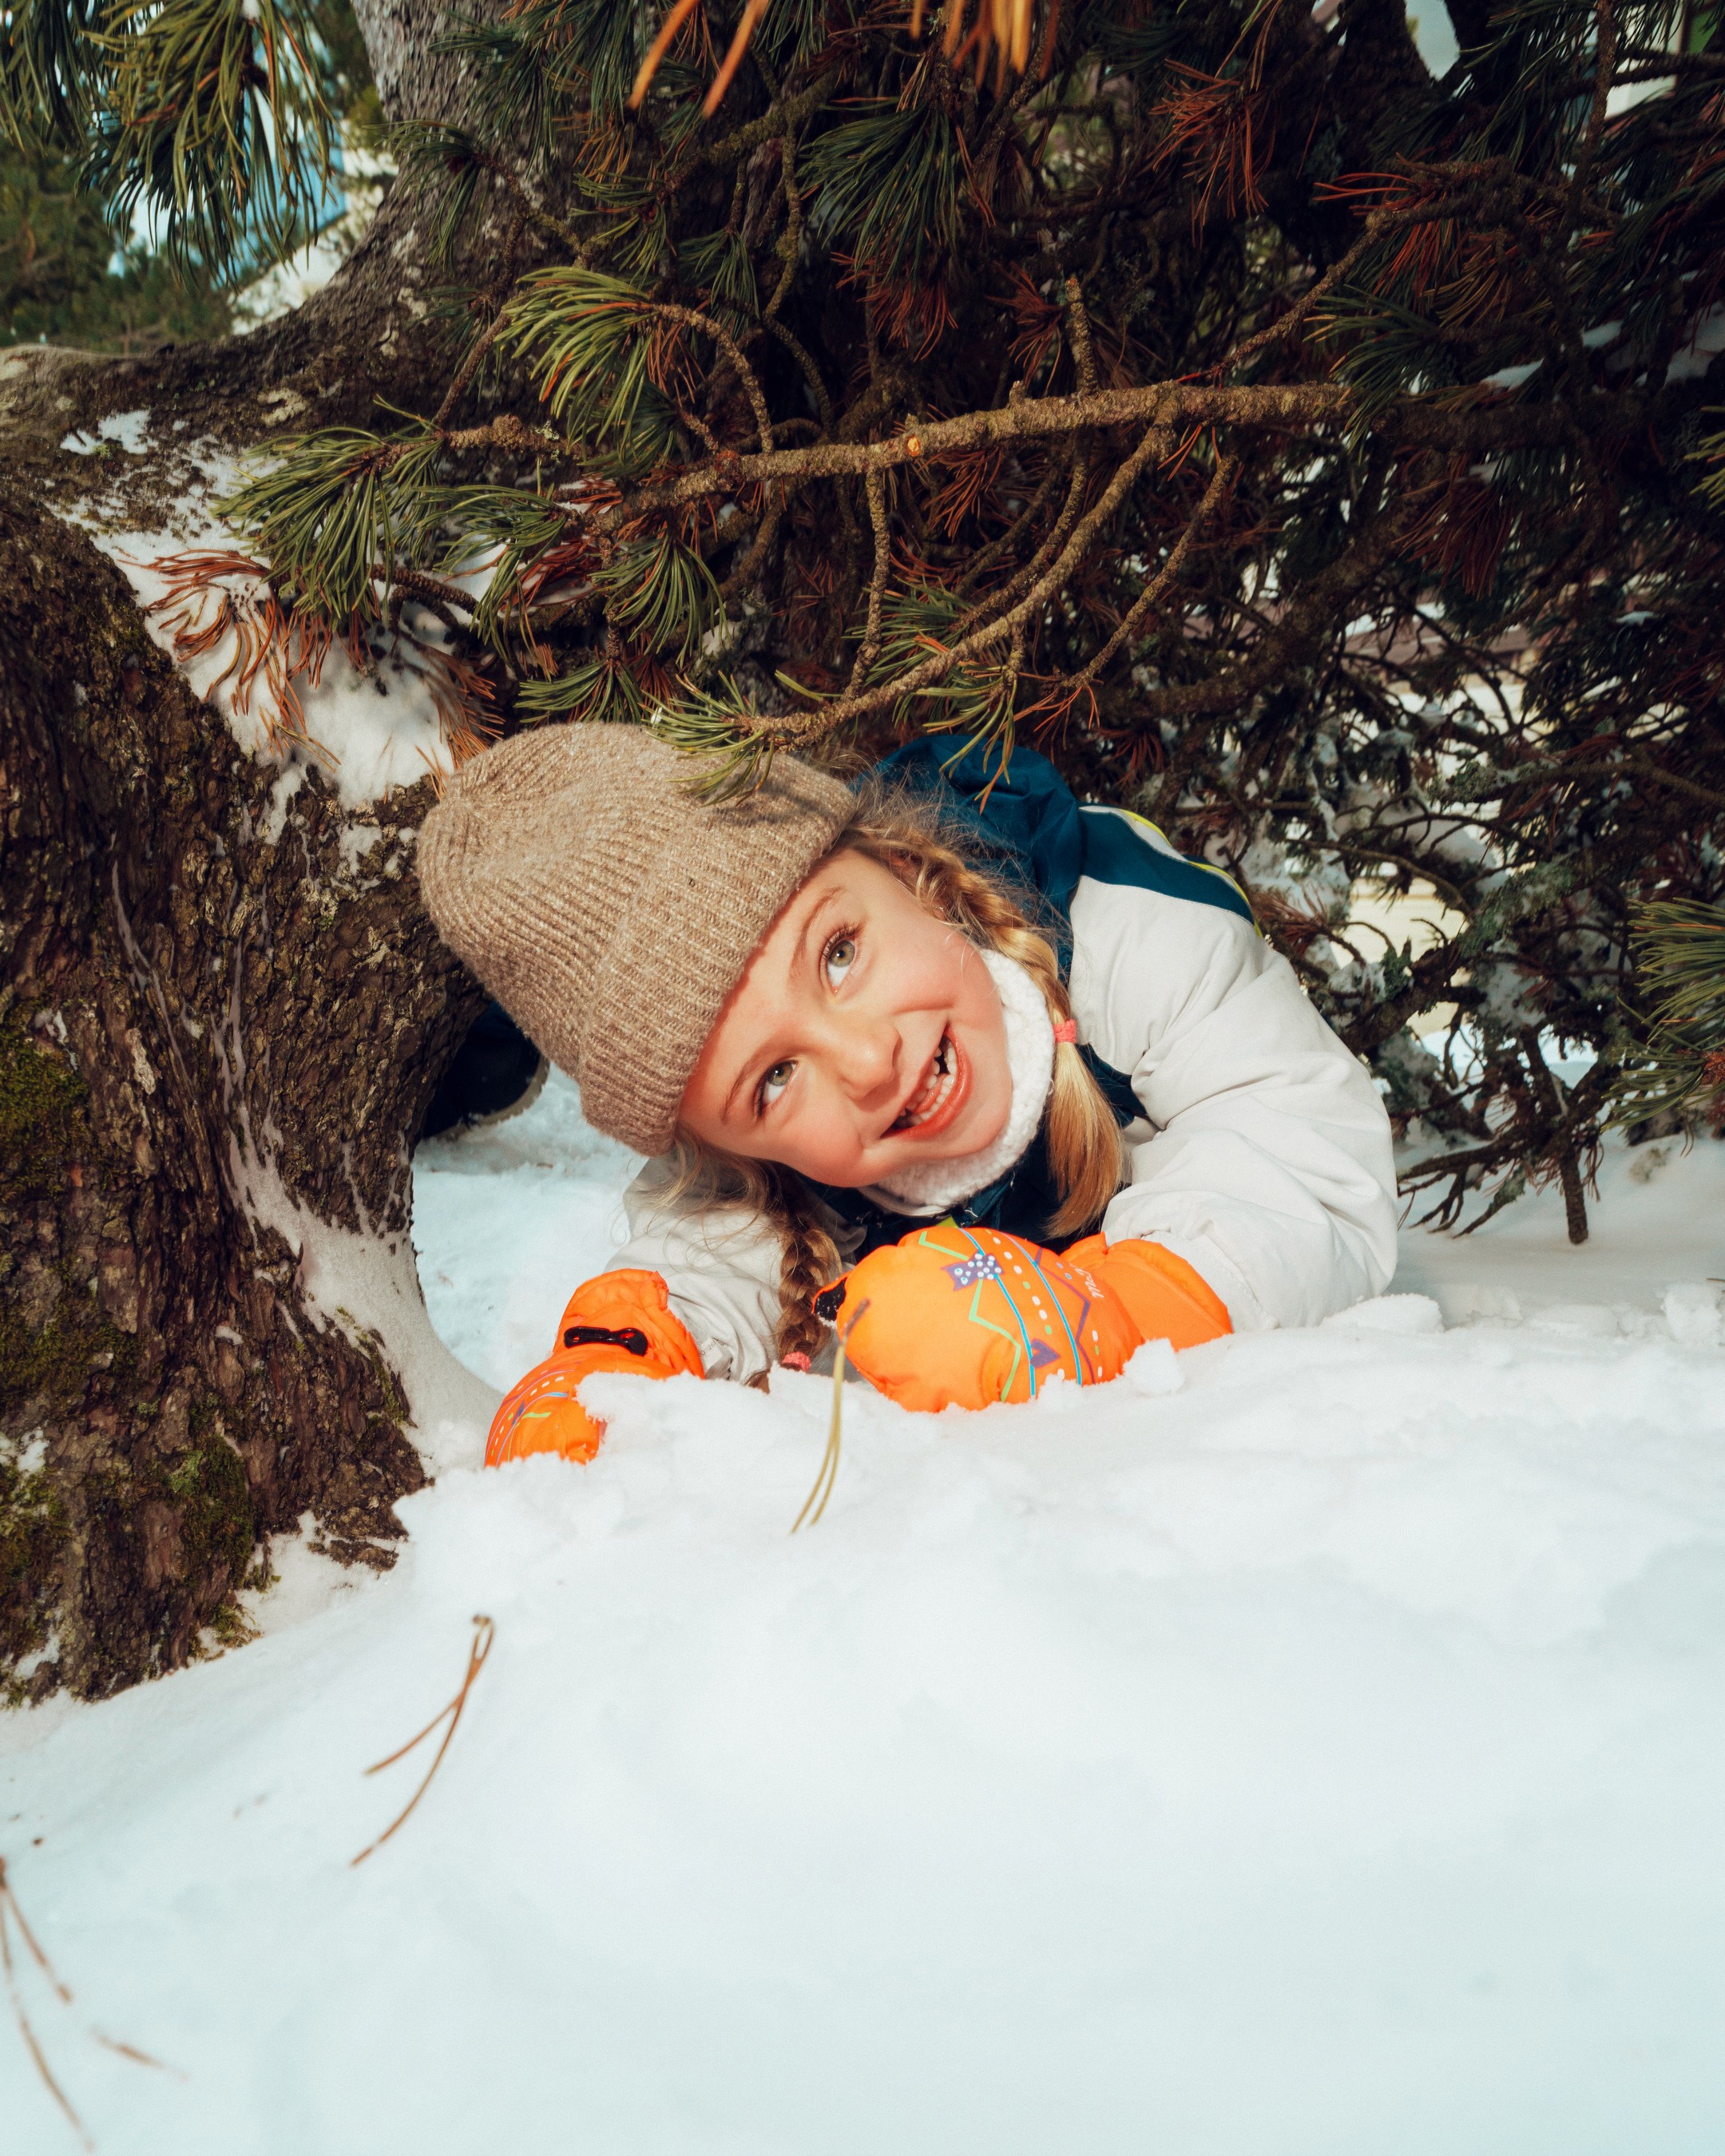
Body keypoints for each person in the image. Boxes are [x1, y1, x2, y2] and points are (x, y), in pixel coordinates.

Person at [418, 723, 1397, 1462]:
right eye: (774, 1079)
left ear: (897, 867)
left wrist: (1113, 1307)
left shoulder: (1130, 933)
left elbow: (1307, 1159)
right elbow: (706, 1255)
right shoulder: (778, 1169)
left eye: (839, 955)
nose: (867, 1063)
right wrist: (620, 1357)